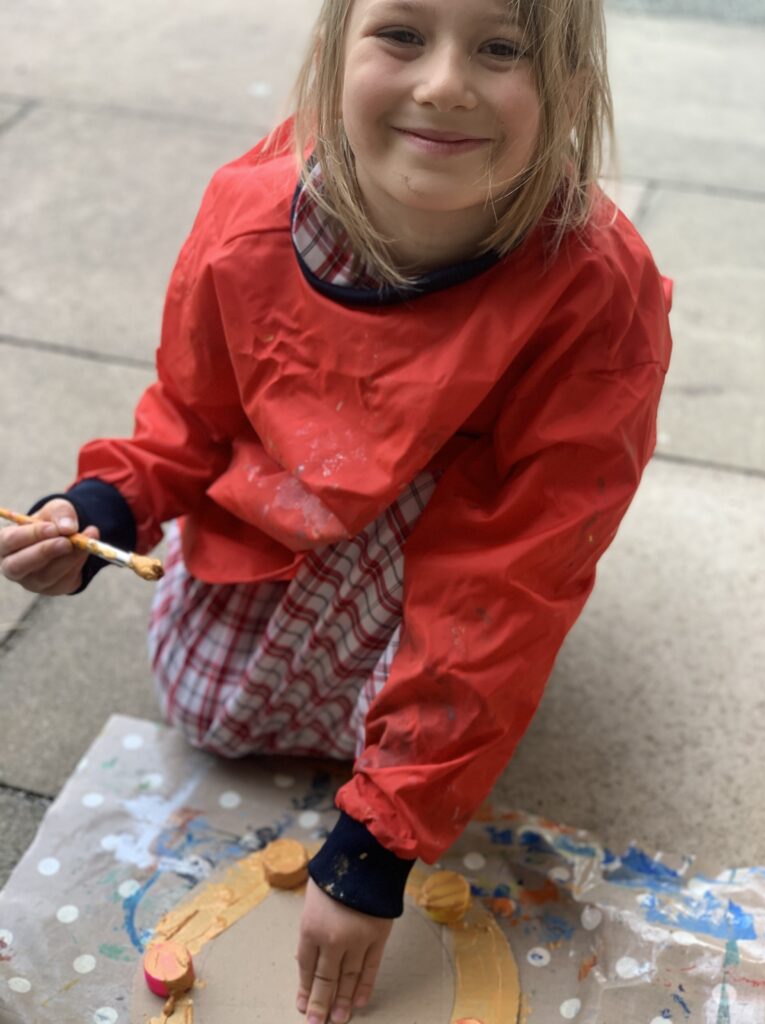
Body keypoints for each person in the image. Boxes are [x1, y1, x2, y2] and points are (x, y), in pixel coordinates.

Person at [0, 0, 673, 1020]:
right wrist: (104, 507)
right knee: (208, 714)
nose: (445, 82)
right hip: (271, 546)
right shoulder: (248, 215)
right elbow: (191, 415)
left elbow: (514, 572)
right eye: (401, 35)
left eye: (501, 49)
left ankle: (406, 742)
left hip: (451, 575)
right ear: (333, 49)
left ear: (572, 85)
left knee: (438, 737)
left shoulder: (594, 295)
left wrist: (377, 846)